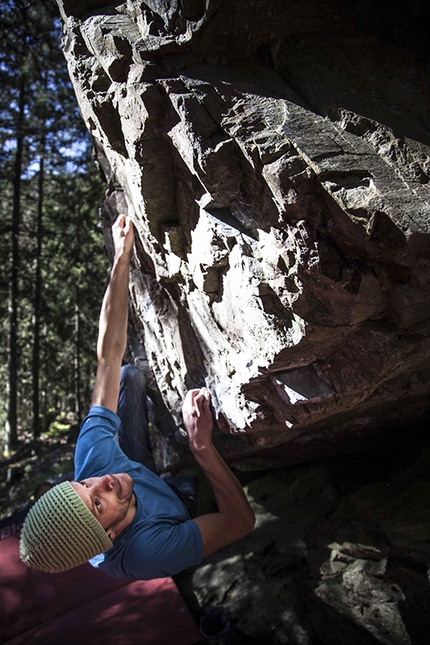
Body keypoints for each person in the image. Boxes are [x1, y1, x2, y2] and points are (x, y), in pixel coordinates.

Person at [19, 214, 255, 580]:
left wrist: (122, 256)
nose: (102, 481)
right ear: (109, 536)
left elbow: (108, 358)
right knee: (191, 491)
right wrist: (201, 447)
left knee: (127, 374)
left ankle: (158, 461)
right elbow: (240, 521)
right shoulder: (147, 551)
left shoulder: (95, 464)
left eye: (83, 485)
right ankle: (177, 477)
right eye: (97, 504)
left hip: (140, 472)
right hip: (174, 512)